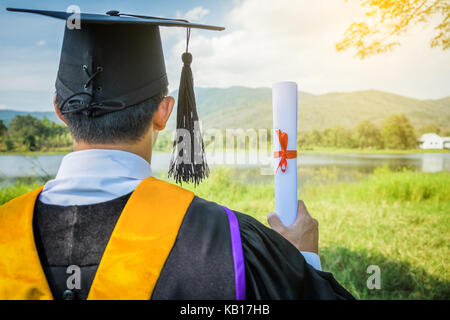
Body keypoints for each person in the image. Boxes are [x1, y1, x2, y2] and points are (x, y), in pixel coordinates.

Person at [0, 8, 354, 300]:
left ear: (60, 111)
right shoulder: (230, 243)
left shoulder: (6, 231)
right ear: (164, 112)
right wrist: (301, 261)